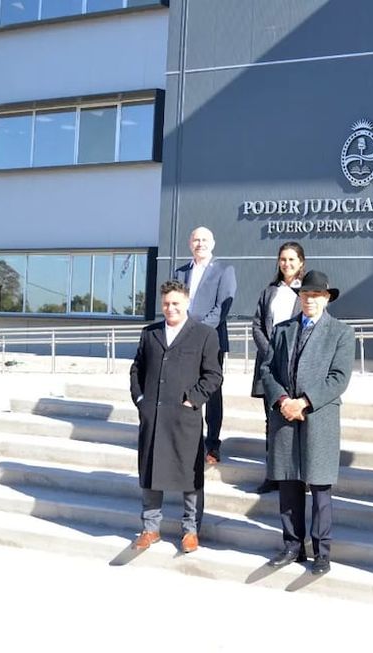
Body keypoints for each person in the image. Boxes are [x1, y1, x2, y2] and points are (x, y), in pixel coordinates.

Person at [259, 270, 354, 576]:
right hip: (285, 416)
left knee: (320, 489)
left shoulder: (341, 332)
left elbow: (338, 378)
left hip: (318, 416)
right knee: (288, 485)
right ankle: (292, 545)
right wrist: (283, 401)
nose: (309, 301)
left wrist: (305, 401)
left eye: (316, 296)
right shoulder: (283, 329)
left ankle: (321, 551)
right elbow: (267, 369)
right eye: (305, 295)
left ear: (326, 299)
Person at [129, 280, 224, 553]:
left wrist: (191, 399)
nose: (171, 308)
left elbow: (213, 375)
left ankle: (190, 531)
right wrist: (140, 400)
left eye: (176, 304)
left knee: (190, 477)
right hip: (154, 416)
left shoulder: (204, 334)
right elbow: (137, 370)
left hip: (185, 417)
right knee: (150, 472)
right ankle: (150, 528)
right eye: (166, 304)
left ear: (186, 303)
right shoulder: (150, 333)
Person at [174, 226, 236, 464]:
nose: (200, 243)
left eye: (204, 239)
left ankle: (212, 444)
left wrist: (196, 332)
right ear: (190, 243)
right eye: (196, 239)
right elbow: (175, 304)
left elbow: (222, 308)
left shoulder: (224, 270)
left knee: (211, 393)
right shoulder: (180, 272)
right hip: (183, 341)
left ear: (213, 243)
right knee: (185, 388)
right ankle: (189, 440)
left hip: (210, 340)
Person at [251, 241, 306, 494]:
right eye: (283, 259)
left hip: (298, 364)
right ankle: (273, 474)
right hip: (269, 365)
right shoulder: (269, 291)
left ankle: (301, 476)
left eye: (292, 259)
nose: (287, 264)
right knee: (271, 421)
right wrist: (271, 352)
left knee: (300, 422)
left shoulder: (308, 291)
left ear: (301, 262)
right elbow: (257, 325)